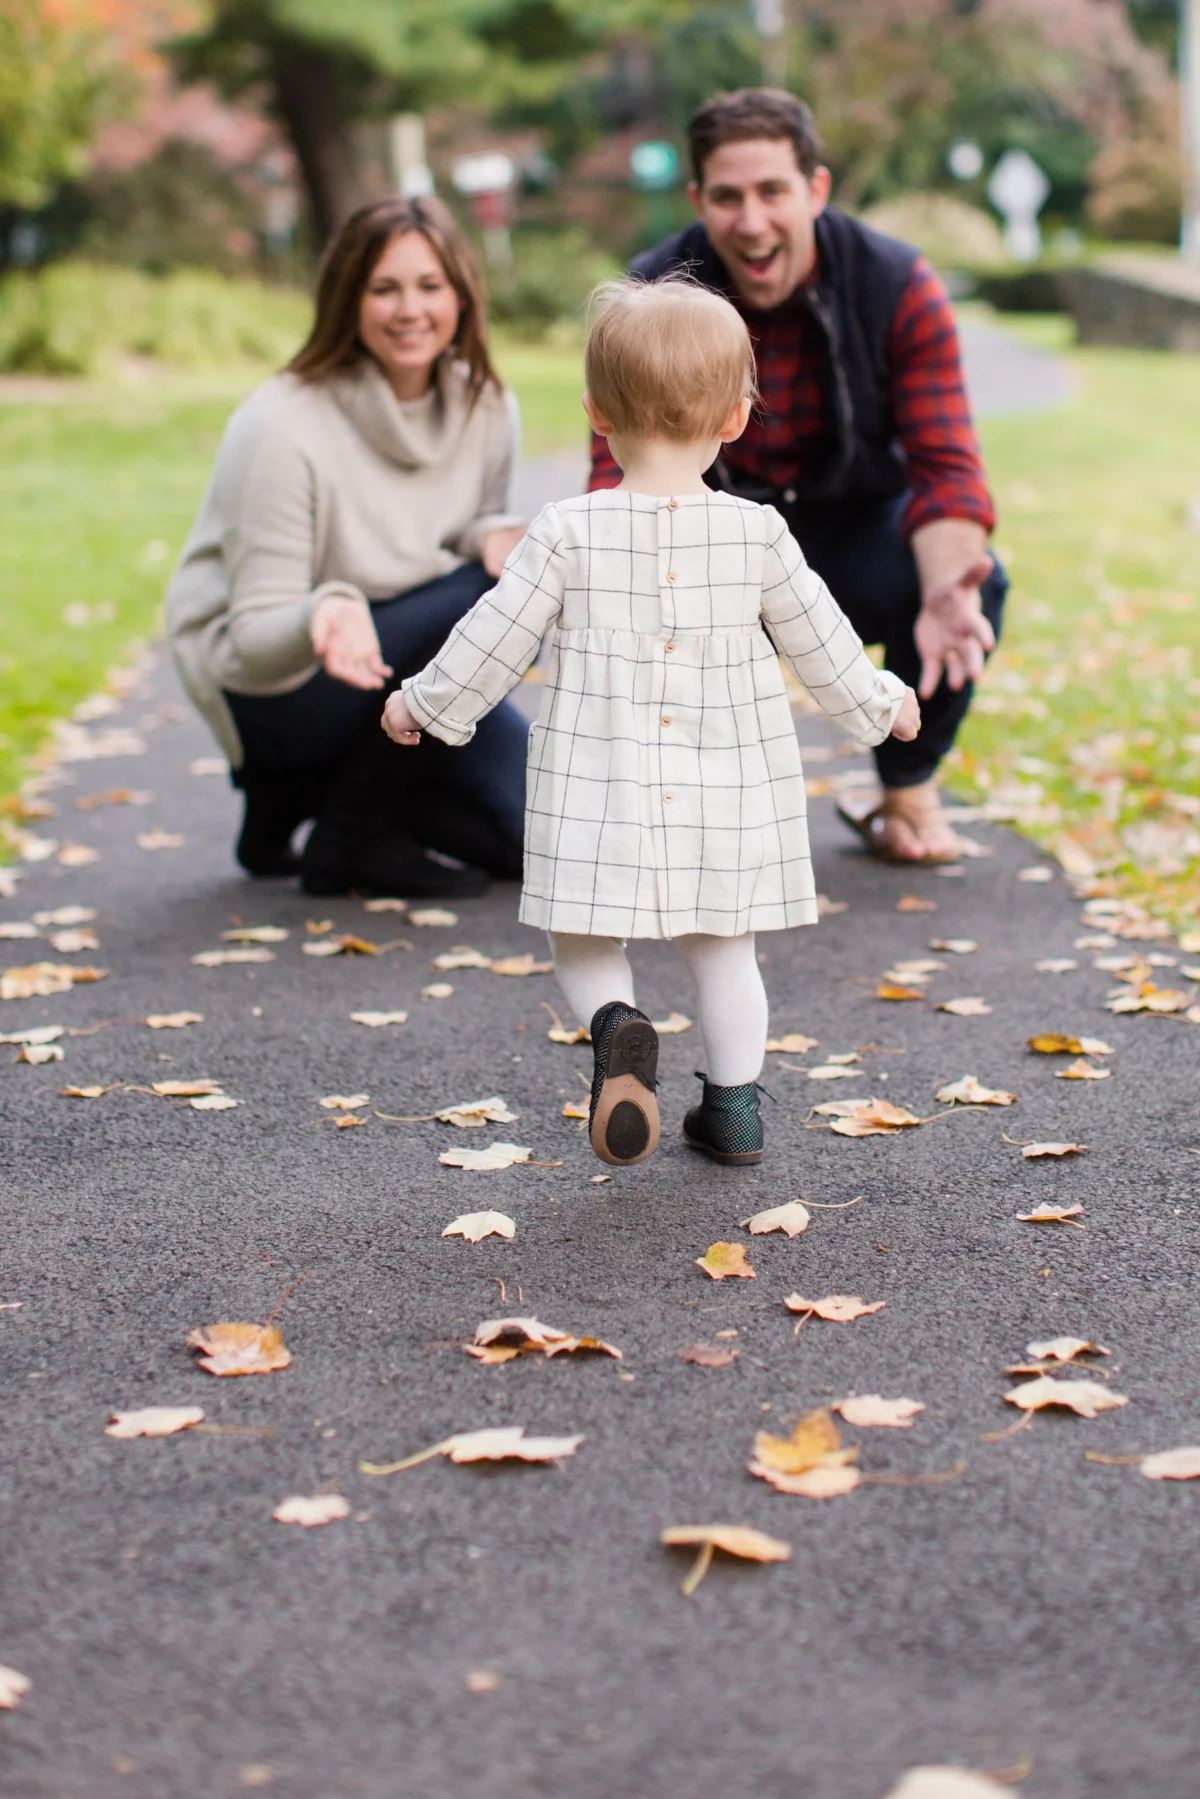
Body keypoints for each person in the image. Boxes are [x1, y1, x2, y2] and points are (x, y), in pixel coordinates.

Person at [382, 279, 920, 1166]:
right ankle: (735, 1110)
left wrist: (423, 705)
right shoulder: (759, 535)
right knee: (725, 953)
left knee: (584, 936)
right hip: (729, 789)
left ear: (597, 413)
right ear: (739, 418)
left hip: (600, 785)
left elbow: (493, 637)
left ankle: (615, 1023)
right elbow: (823, 641)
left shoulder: (566, 530)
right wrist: (881, 704)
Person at [589, 88, 1007, 866]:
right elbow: (608, 481)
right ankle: (672, 805)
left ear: (815, 189)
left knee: (972, 582)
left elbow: (947, 467)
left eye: (772, 192)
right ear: (697, 202)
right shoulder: (651, 298)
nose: (751, 221)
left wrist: (950, 581)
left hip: (852, 535)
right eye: (727, 197)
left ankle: (906, 787)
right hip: (709, 543)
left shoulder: (896, 285)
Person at [166, 196, 531, 899]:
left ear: (461, 294)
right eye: (383, 288)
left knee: (531, 840)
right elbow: (252, 640)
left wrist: (489, 534)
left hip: (402, 672)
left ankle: (311, 794)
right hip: (280, 688)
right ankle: (346, 827)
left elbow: (452, 529)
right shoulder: (279, 425)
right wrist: (324, 611)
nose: (409, 309)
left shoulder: (488, 405)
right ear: (347, 298)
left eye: (429, 286)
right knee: (497, 599)